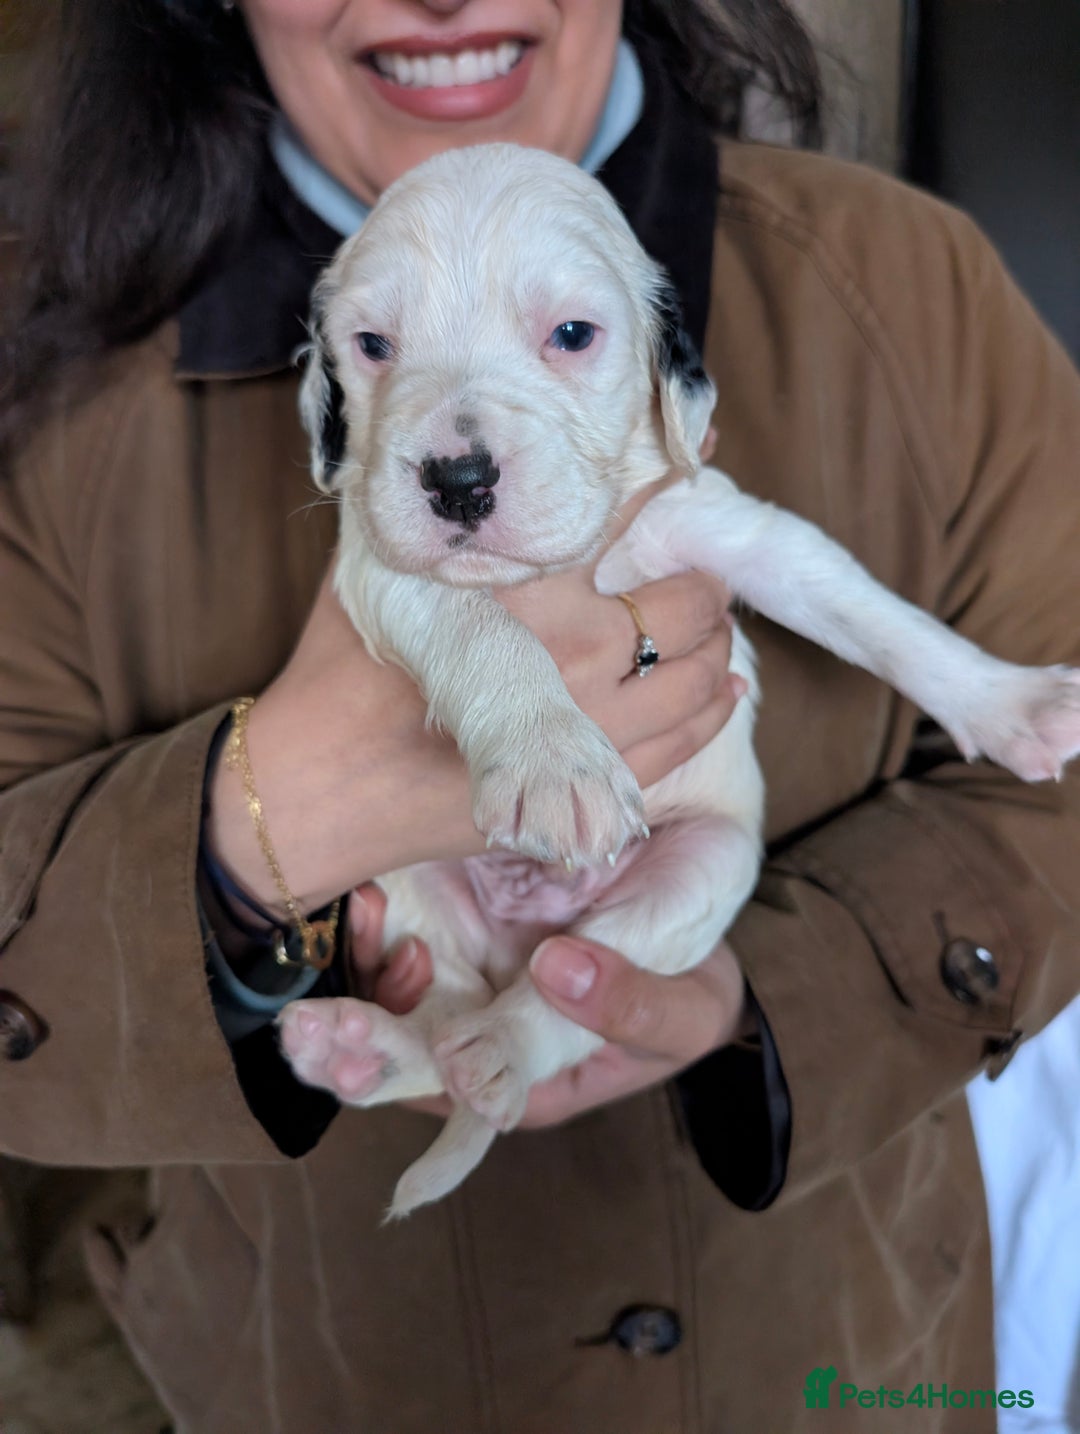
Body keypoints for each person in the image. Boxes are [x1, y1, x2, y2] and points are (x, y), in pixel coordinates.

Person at [1, 1, 1078, 1430]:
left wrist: (766, 1010)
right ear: (334, 382)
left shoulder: (909, 291)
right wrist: (258, 826)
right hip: (317, 1371)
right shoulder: (62, 405)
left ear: (663, 365)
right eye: (379, 350)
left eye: (568, 334)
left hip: (848, 1357)